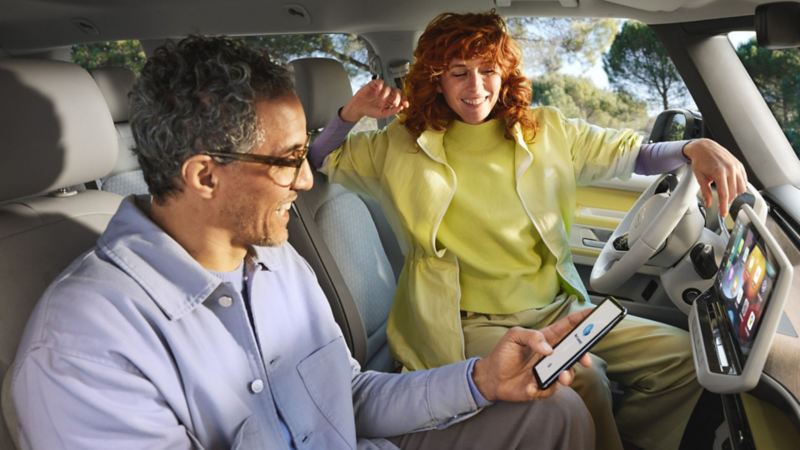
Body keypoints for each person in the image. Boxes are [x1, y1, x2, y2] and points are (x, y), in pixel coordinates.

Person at [6, 35, 597, 450]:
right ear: (205, 175)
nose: (309, 179)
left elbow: (348, 397)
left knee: (556, 414)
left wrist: (479, 381)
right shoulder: (85, 345)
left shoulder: (277, 261)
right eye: (289, 161)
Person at [308, 11, 748, 450]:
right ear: (436, 79)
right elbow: (319, 161)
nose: (476, 87)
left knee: (687, 359)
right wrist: (348, 115)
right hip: (468, 321)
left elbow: (637, 155)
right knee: (585, 379)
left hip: (557, 307)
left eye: (488, 71)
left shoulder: (546, 129)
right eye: (459, 73)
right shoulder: (400, 143)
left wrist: (696, 146)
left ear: (505, 74)